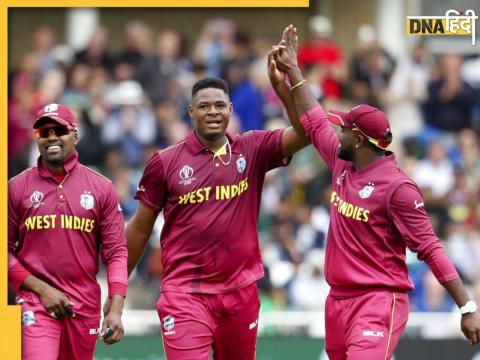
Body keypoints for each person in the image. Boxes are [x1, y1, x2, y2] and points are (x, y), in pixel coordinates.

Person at [271, 25, 480, 359]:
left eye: (344, 130)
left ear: (359, 140)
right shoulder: (344, 162)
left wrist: (467, 305)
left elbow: (429, 247)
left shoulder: (398, 188)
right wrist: (292, 71)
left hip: (378, 301)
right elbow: (313, 119)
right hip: (337, 301)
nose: (336, 134)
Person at [126, 74, 308, 359]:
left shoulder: (252, 148)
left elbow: (306, 132)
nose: (213, 111)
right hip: (185, 294)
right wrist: (117, 289)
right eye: (204, 106)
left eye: (220, 105)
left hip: (240, 291)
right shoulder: (165, 162)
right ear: (190, 111)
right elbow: (139, 228)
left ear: (230, 110)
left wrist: (283, 90)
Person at [8, 103, 128, 360]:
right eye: (44, 131)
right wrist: (42, 290)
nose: (51, 137)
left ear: (75, 135)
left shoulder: (101, 188)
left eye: (59, 130)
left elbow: (116, 252)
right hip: (35, 302)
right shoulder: (16, 188)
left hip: (83, 304)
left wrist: (116, 307)